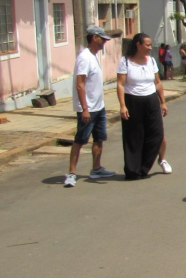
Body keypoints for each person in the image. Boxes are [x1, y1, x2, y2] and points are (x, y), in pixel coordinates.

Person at [65, 26, 117, 187]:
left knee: (99, 139)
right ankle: (72, 173)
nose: (104, 43)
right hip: (88, 109)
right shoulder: (84, 58)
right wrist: (85, 109)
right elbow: (80, 85)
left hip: (99, 107)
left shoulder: (94, 57)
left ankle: (96, 168)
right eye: (103, 39)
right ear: (95, 38)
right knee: (80, 140)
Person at [116, 33, 168, 180]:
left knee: (156, 134)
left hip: (151, 100)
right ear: (138, 45)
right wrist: (122, 106)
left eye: (151, 45)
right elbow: (120, 84)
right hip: (133, 100)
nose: (150, 48)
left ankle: (144, 167)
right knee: (134, 136)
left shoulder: (151, 61)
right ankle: (133, 170)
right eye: (147, 45)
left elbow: (158, 82)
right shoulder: (126, 61)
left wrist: (163, 102)